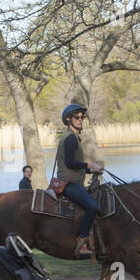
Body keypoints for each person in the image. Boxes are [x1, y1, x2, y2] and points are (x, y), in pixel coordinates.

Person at [52, 103, 104, 259]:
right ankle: (81, 241)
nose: (80, 119)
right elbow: (69, 163)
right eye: (77, 117)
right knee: (92, 206)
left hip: (72, 181)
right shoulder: (70, 139)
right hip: (69, 184)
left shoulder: (72, 137)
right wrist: (89, 164)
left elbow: (75, 165)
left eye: (82, 117)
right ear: (68, 119)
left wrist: (91, 170)